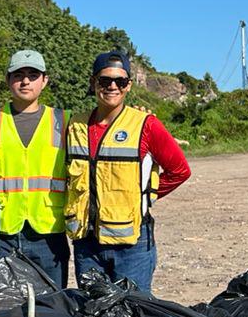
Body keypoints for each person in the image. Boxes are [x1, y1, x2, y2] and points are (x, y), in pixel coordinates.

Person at [65, 49, 191, 293]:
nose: (112, 86)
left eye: (120, 81)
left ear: (129, 86)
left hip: (132, 246)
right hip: (87, 245)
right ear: (93, 83)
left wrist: (143, 196)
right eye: (105, 80)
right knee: (94, 315)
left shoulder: (146, 124)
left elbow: (179, 170)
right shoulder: (74, 125)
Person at [0, 48, 71, 286]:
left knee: (52, 309)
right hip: (2, 234)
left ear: (45, 80)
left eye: (33, 74)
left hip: (49, 235)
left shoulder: (65, 121)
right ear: (8, 80)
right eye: (18, 74)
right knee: (3, 310)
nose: (25, 80)